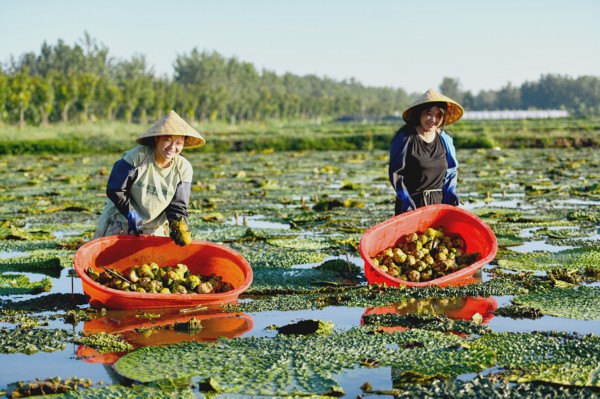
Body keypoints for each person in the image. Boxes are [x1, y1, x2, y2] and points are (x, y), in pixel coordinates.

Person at [94, 110, 205, 245]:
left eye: (178, 143)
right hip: (120, 223)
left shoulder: (183, 168)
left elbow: (177, 207)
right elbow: (115, 189)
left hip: (154, 229)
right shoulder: (137, 157)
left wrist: (179, 228)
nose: (172, 147)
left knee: (151, 266)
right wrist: (131, 214)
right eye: (167, 140)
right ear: (156, 138)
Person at [389, 88, 464, 215]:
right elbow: (396, 172)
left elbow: (451, 169)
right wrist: (404, 197)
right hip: (411, 206)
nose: (433, 119)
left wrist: (450, 190)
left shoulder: (445, 139)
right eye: (429, 113)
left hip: (439, 207)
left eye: (439, 115)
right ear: (419, 114)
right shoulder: (405, 139)